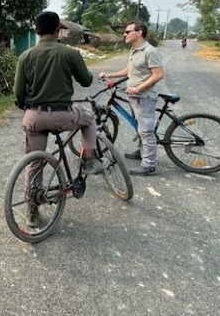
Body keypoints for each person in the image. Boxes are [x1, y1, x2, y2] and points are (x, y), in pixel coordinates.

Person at [14, 11, 101, 226]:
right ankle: (89, 158)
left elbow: (18, 93)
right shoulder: (70, 53)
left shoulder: (25, 56)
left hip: (35, 117)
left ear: (36, 30)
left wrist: (26, 108)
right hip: (63, 115)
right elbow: (87, 81)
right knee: (89, 117)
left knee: (34, 164)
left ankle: (33, 212)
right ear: (58, 30)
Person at [99, 21, 163, 176]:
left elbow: (158, 75)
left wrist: (138, 88)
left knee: (146, 131)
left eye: (128, 32)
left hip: (144, 97)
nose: (124, 34)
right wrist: (110, 75)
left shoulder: (150, 51)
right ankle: (142, 152)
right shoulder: (134, 50)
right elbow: (129, 70)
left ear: (139, 32)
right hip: (134, 97)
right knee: (139, 127)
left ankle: (149, 165)